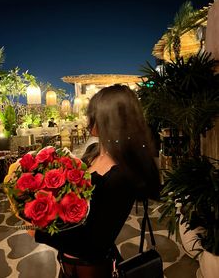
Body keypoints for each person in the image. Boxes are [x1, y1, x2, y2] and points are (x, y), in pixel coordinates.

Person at [33, 84, 161, 278]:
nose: (89, 119)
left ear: (113, 119)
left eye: (95, 114)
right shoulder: (92, 153)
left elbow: (92, 246)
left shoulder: (122, 175)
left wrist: (38, 233)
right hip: (67, 265)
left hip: (93, 270)